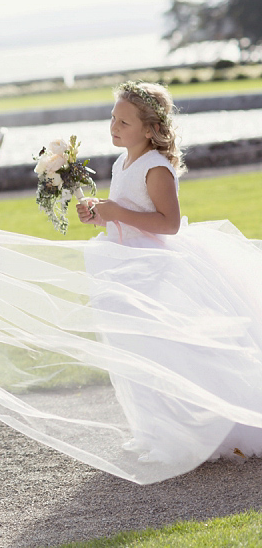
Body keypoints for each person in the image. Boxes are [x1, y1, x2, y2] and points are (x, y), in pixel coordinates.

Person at [77, 81, 262, 465]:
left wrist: (114, 211)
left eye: (124, 122)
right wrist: (99, 213)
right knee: (133, 348)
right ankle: (152, 430)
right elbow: (124, 213)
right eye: (113, 117)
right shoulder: (121, 161)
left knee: (160, 349)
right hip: (122, 262)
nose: (114, 126)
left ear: (150, 129)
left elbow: (168, 224)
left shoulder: (156, 168)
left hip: (153, 266)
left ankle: (180, 436)